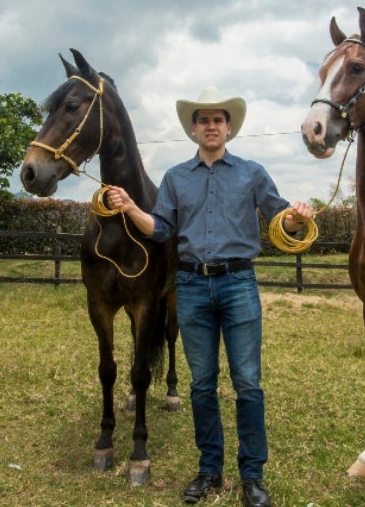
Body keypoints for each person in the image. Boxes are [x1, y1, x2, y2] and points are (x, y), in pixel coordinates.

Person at [106, 86, 314, 507]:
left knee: (248, 384)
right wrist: (129, 206)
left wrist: (297, 218)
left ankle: (252, 476)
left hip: (239, 285)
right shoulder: (175, 178)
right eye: (204, 120)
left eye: (218, 120)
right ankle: (209, 470)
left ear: (229, 127)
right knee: (202, 385)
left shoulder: (252, 173)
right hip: (192, 287)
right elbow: (160, 229)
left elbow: (281, 222)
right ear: (194, 129)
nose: (212, 126)